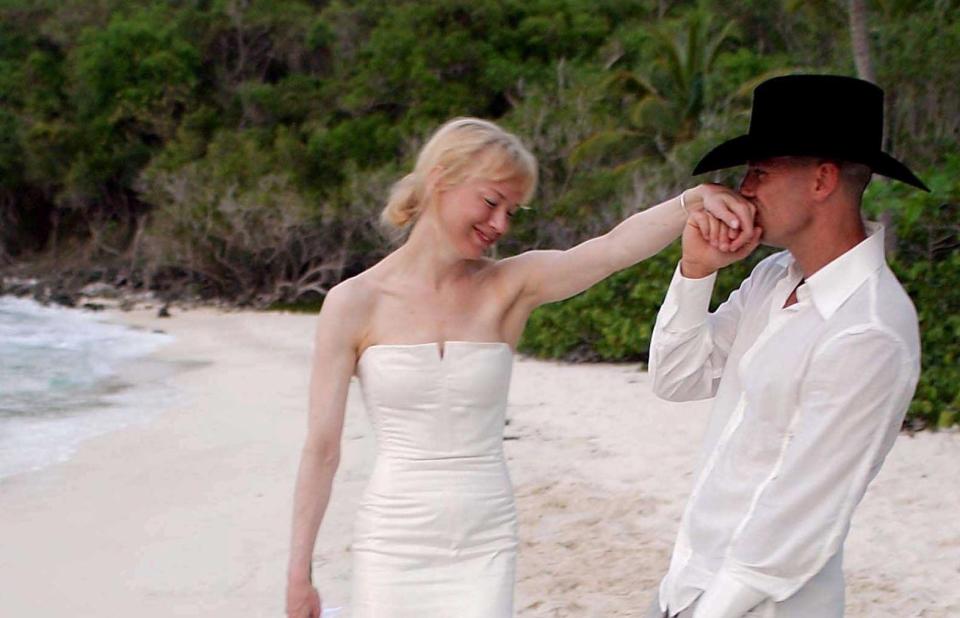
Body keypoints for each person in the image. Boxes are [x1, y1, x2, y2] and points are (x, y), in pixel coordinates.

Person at [285, 117, 758, 618]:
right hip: (392, 538)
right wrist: (299, 573)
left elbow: (612, 250)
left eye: (511, 210)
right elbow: (321, 450)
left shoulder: (509, 287)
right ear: (442, 178)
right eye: (491, 202)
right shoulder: (353, 303)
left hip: (485, 535)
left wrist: (693, 201)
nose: (500, 225)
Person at [646, 74, 928, 618]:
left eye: (760, 171)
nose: (744, 188)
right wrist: (697, 271)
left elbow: (799, 518)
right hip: (685, 587)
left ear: (822, 180)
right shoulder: (774, 277)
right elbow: (676, 378)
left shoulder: (870, 329)